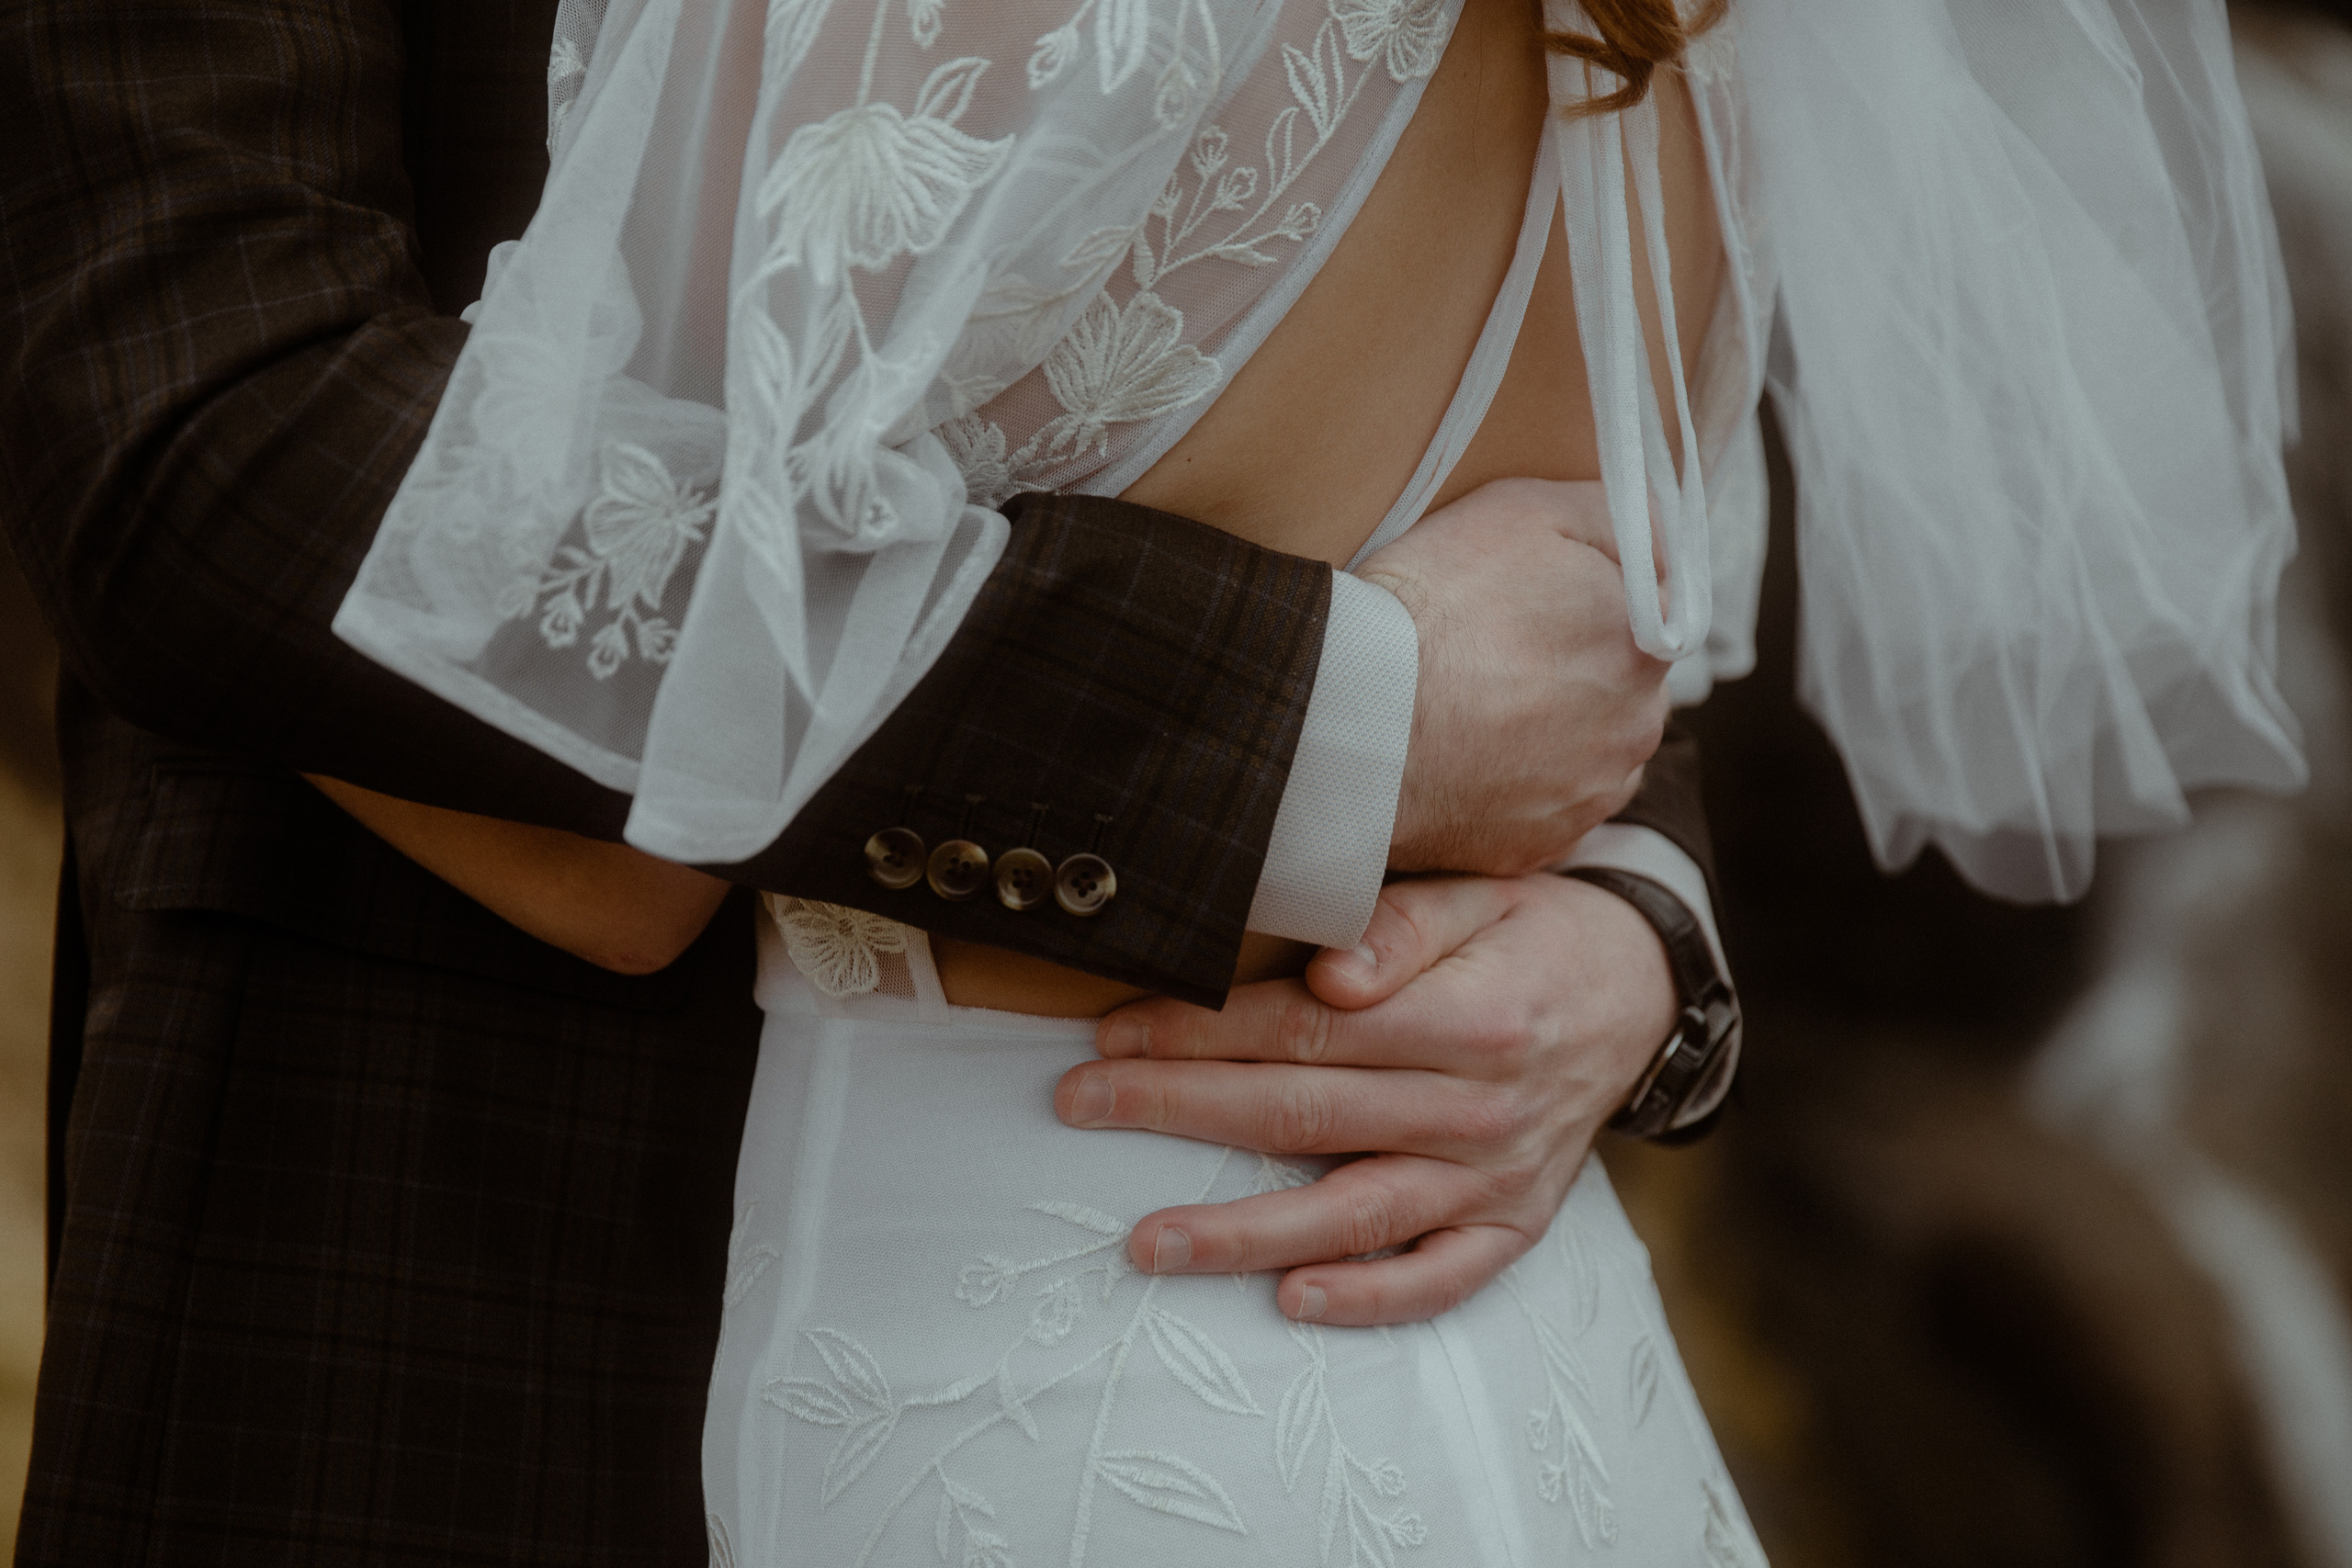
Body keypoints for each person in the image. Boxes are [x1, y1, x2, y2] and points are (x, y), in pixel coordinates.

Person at [290, 0, 2302, 1559]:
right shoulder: (1686, 54)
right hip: (1523, 1361)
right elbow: (1620, 685)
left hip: (1011, 1393)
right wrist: (1622, 910)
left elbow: (613, 853)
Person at [0, 0, 1726, 1561]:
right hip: (473, 1234)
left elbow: (1593, 606)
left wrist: (1630, 934)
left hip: (987, 1349)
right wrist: (1336, 727)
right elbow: (204, 419)